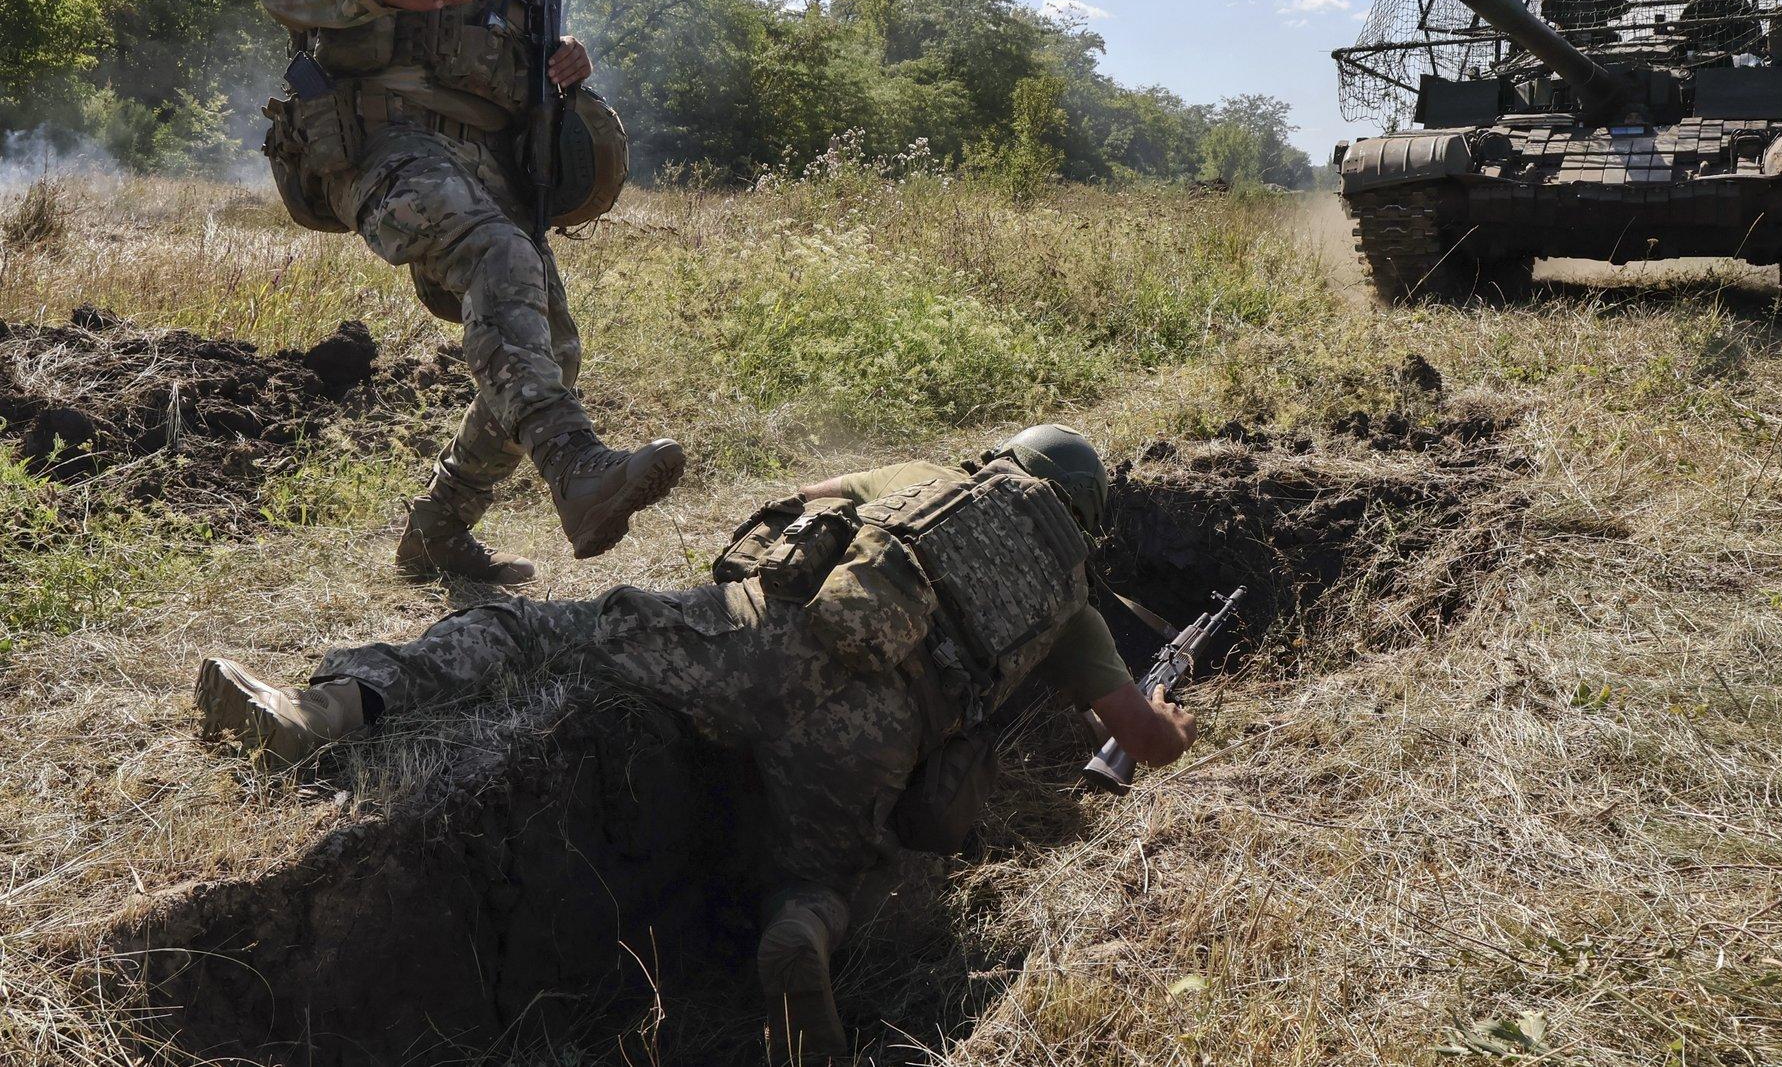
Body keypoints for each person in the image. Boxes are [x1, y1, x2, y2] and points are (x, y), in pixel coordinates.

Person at [195, 423, 1199, 1062]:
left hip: (752, 638)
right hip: (873, 737)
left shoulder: (930, 479)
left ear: (1005, 460)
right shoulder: (1070, 605)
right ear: (1085, 517)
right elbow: (1140, 740)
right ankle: (798, 927)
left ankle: (319, 712)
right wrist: (1178, 721)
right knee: (822, 875)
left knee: (532, 633)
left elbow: (793, 505)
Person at [251, 0, 682, 584]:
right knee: (498, 257)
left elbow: (512, 85)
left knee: (551, 350)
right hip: (386, 143)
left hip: (485, 164)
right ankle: (578, 468)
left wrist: (563, 65)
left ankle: (438, 533)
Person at [1677, 0, 1762, 59]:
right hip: (1700, 53)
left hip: (1732, 52)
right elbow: (1681, 30)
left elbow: (1755, 28)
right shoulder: (1695, 4)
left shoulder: (1736, 1)